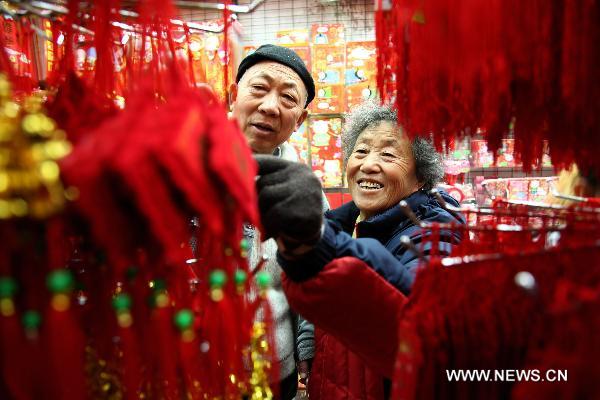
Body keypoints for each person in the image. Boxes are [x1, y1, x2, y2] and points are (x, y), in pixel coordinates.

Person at [254, 101, 465, 399]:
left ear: (420, 177)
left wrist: (316, 244)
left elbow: (416, 330)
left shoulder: (435, 235)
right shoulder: (345, 221)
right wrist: (308, 340)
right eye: (361, 151)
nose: (368, 164)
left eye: (389, 154)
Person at [230, 44, 324, 399]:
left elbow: (311, 280)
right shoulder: (188, 170)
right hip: (195, 365)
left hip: (274, 371)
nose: (270, 106)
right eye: (258, 88)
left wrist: (306, 350)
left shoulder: (307, 190)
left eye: (288, 98)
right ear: (233, 95)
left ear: (299, 120)